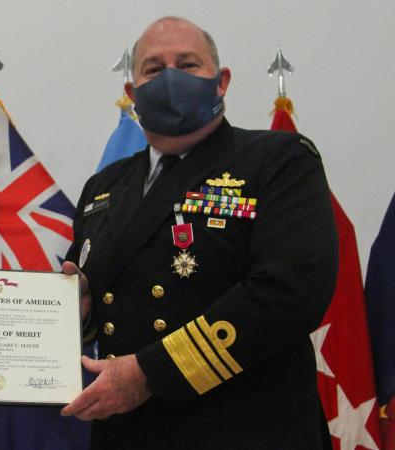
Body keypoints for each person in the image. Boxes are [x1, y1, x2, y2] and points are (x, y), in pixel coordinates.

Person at [60, 16, 338, 449]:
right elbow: (112, 307)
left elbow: (290, 292)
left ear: (221, 81)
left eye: (188, 64)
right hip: (130, 434)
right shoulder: (104, 188)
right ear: (132, 93)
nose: (170, 77)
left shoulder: (277, 161)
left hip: (247, 431)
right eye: (153, 69)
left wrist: (152, 374)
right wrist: (77, 310)